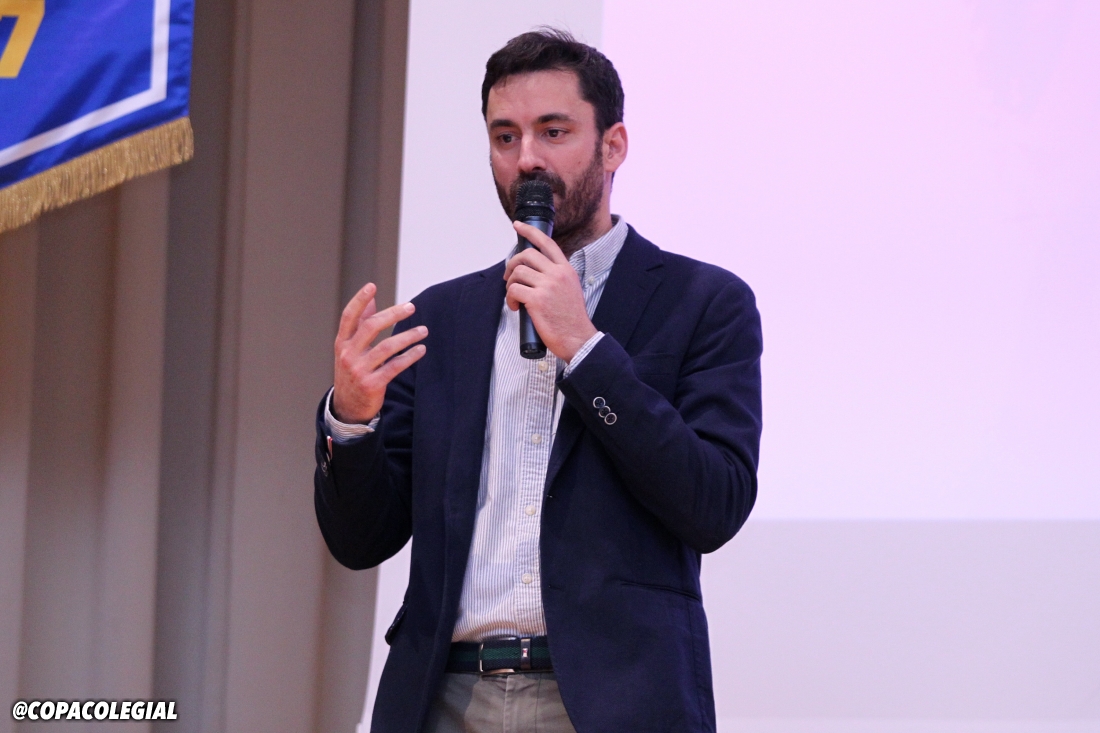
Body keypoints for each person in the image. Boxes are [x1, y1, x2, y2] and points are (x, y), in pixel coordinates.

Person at [314, 29, 762, 733]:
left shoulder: (702, 302)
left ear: (613, 145)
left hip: (611, 703)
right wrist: (352, 420)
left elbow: (714, 504)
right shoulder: (440, 318)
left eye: (554, 131)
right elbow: (360, 541)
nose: (527, 158)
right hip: (444, 696)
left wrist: (584, 348)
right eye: (505, 136)